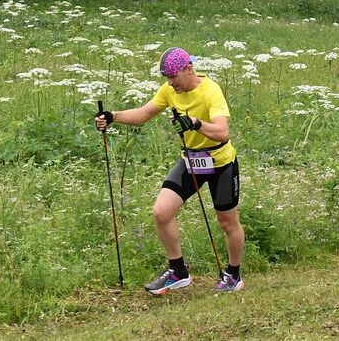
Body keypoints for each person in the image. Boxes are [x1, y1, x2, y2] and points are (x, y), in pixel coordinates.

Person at [95, 48, 244, 295]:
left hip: (221, 163)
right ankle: (178, 272)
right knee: (161, 212)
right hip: (191, 161)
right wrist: (112, 116)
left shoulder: (211, 90)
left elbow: (222, 132)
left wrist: (195, 124)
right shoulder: (168, 90)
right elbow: (144, 113)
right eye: (167, 78)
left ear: (189, 69)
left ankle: (233, 275)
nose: (170, 83)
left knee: (228, 223)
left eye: (174, 78)